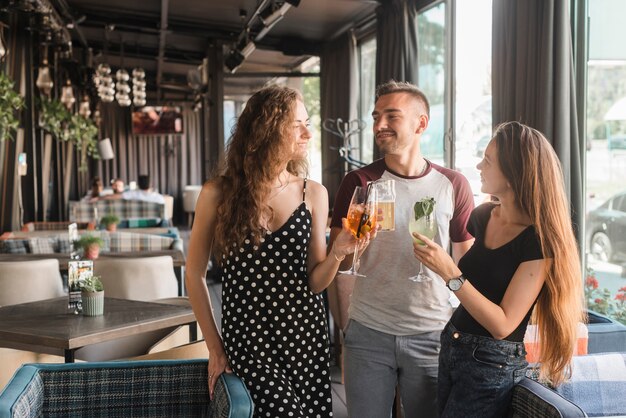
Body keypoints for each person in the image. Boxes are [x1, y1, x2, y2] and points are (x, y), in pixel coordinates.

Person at [185, 85, 373, 418]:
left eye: (307, 122)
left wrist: (339, 252)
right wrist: (215, 348)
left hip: (305, 340)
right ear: (267, 129)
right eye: (297, 124)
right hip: (248, 341)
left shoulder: (312, 193)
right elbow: (194, 273)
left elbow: (315, 282)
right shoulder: (217, 192)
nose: (307, 132)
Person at [411, 121, 585, 417]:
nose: (479, 166)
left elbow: (503, 325)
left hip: (491, 363)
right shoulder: (483, 215)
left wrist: (450, 273)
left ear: (514, 173)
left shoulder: (538, 241)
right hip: (452, 342)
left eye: (488, 160)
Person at [327, 80, 475, 417]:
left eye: (391, 116)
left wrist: (462, 328)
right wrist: (346, 327)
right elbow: (341, 261)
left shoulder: (453, 184)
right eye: (376, 116)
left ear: (421, 123)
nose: (379, 125)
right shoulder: (359, 183)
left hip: (433, 333)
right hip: (368, 333)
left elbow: (467, 263)